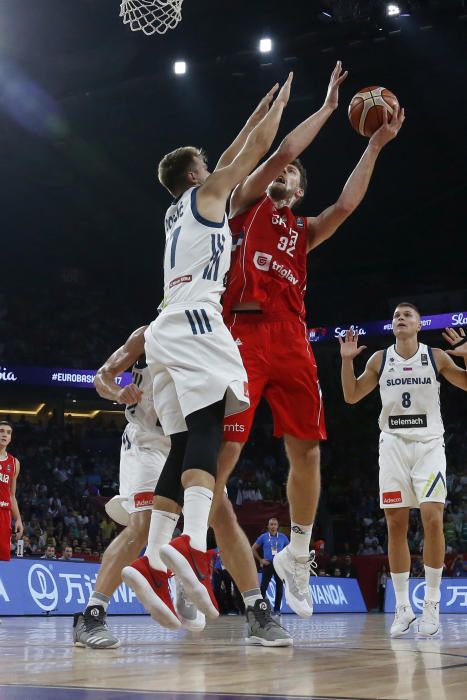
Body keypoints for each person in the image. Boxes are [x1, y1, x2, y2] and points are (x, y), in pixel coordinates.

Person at [214, 61, 405, 618]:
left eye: (295, 172)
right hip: (242, 333)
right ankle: (187, 542)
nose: (286, 171)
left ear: (300, 189)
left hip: (292, 340)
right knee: (223, 456)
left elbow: (345, 205)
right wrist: (325, 107)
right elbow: (274, 152)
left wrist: (376, 144)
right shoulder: (245, 206)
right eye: (283, 166)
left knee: (308, 450)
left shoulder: (305, 230)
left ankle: (296, 555)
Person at [122, 78, 294, 647]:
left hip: (166, 325)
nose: (215, 166)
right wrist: (279, 109)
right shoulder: (207, 195)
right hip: (196, 318)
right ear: (197, 176)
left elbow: (234, 152)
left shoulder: (181, 211)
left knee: (185, 441)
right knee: (208, 432)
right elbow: (251, 152)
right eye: (207, 163)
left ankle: (151, 561)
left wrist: (258, 111)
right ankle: (192, 547)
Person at [339, 303, 467, 637]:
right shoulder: (379, 359)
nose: (400, 318)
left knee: (433, 518)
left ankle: (432, 605)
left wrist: (466, 355)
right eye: (396, 315)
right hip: (393, 445)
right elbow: (351, 396)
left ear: (419, 324)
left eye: (406, 315)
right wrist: (346, 361)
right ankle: (402, 607)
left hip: (428, 445)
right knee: (395, 524)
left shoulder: (436, 356)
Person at [74, 327, 202, 648]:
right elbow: (102, 376)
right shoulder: (148, 335)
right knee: (141, 526)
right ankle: (92, 614)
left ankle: (186, 581)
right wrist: (118, 392)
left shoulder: (209, 338)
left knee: (203, 517)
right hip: (145, 442)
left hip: (185, 443)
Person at [252, 518, 289, 614]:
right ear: (268, 526)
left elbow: (289, 551)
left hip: (279, 565)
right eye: (271, 524)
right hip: (268, 564)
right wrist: (260, 560)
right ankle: (262, 609)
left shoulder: (283, 537)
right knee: (263, 587)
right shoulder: (263, 537)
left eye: (275, 524)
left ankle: (277, 610)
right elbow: (253, 548)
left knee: (279, 587)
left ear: (277, 526)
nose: (273, 526)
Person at [0, 421, 22, 561]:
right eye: (1, 431)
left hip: (4, 514)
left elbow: (12, 495)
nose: (4, 435)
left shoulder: (14, 463)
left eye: (8, 432)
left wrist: (18, 519)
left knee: (2, 557)